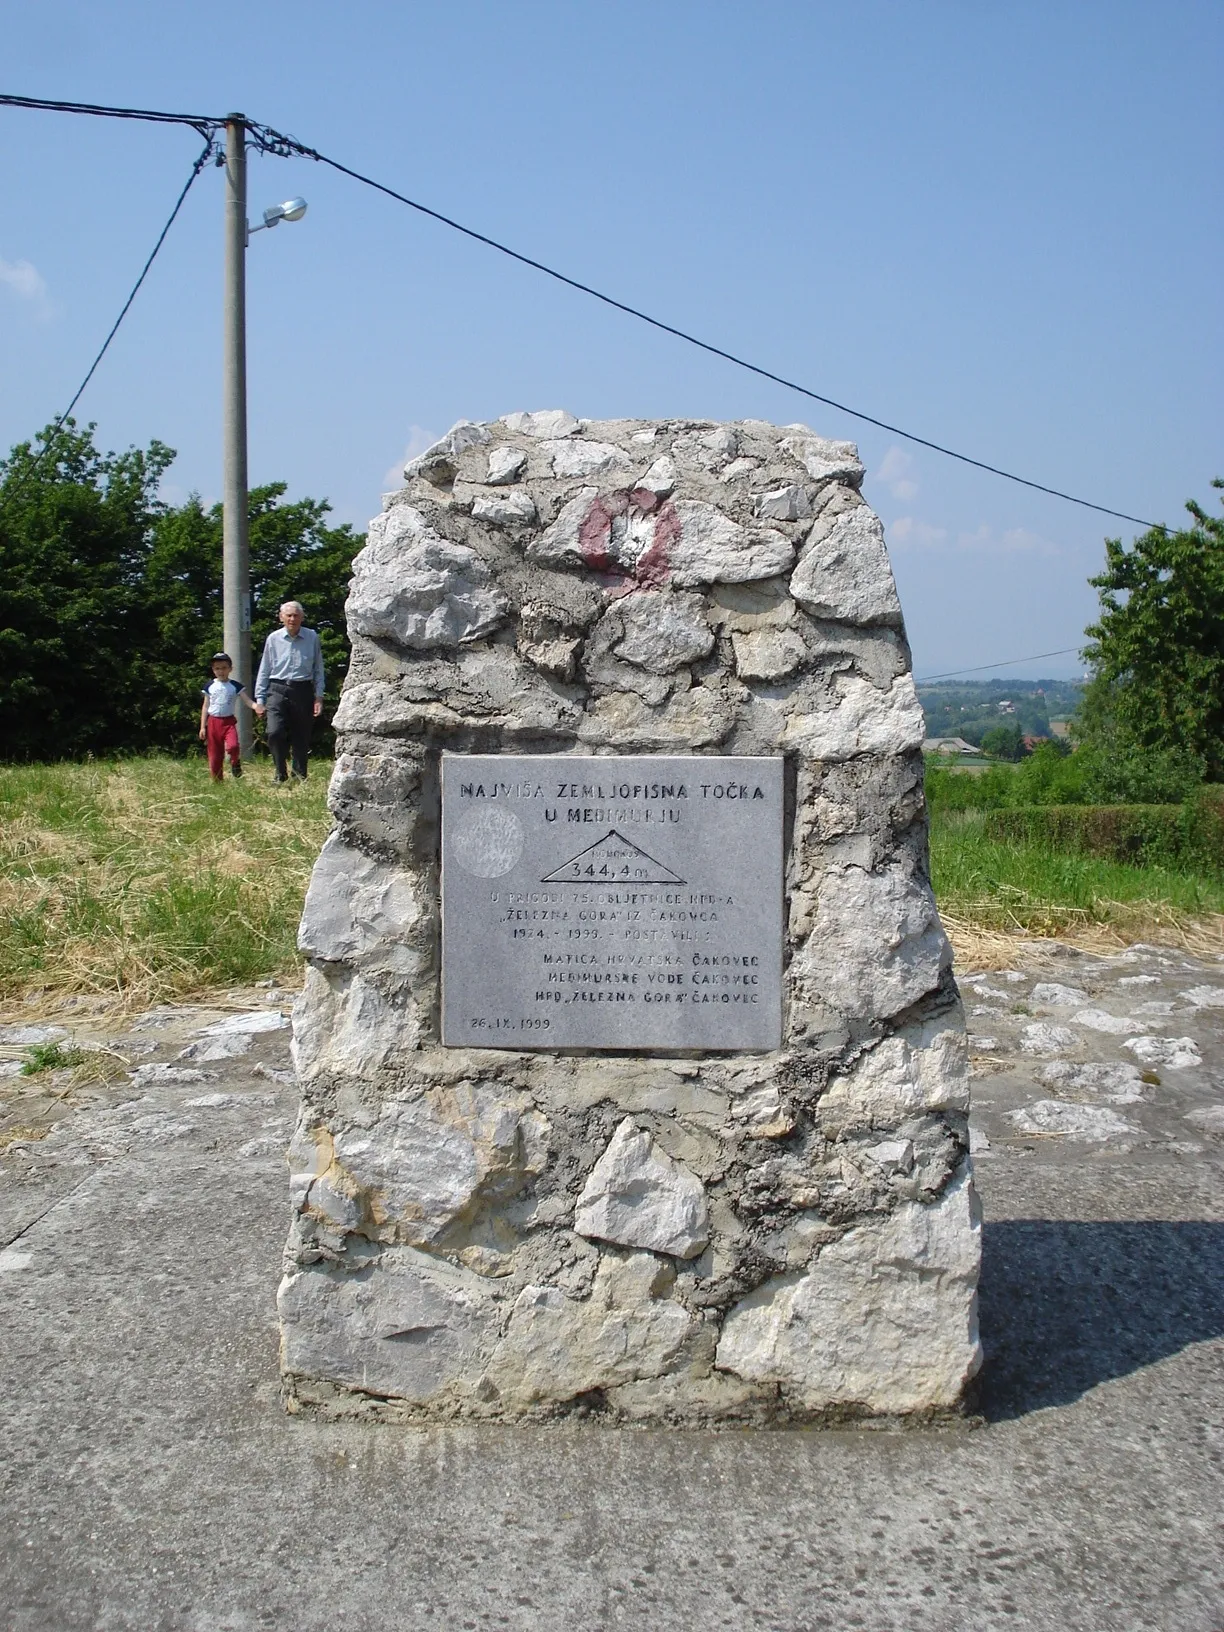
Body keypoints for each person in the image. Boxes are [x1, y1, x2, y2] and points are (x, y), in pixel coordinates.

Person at [252, 601, 325, 782]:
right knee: (274, 731)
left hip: (302, 688)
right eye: (289, 615)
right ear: (281, 617)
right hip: (277, 688)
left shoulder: (312, 637)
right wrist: (259, 699)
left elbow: (318, 668)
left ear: (302, 617)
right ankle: (280, 772)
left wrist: (319, 696)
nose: (292, 619)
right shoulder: (273, 638)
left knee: (301, 734)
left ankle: (299, 775)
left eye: (296, 615)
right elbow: (265, 668)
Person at [198, 652, 256, 782]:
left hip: (228, 722)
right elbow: (205, 706)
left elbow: (247, 700)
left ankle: (235, 762)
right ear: (213, 670)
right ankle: (217, 781)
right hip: (213, 722)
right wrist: (203, 727)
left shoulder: (235, 686)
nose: (221, 671)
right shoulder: (210, 686)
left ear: (230, 669)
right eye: (217, 668)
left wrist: (256, 706)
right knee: (214, 755)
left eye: (224, 668)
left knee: (233, 746)